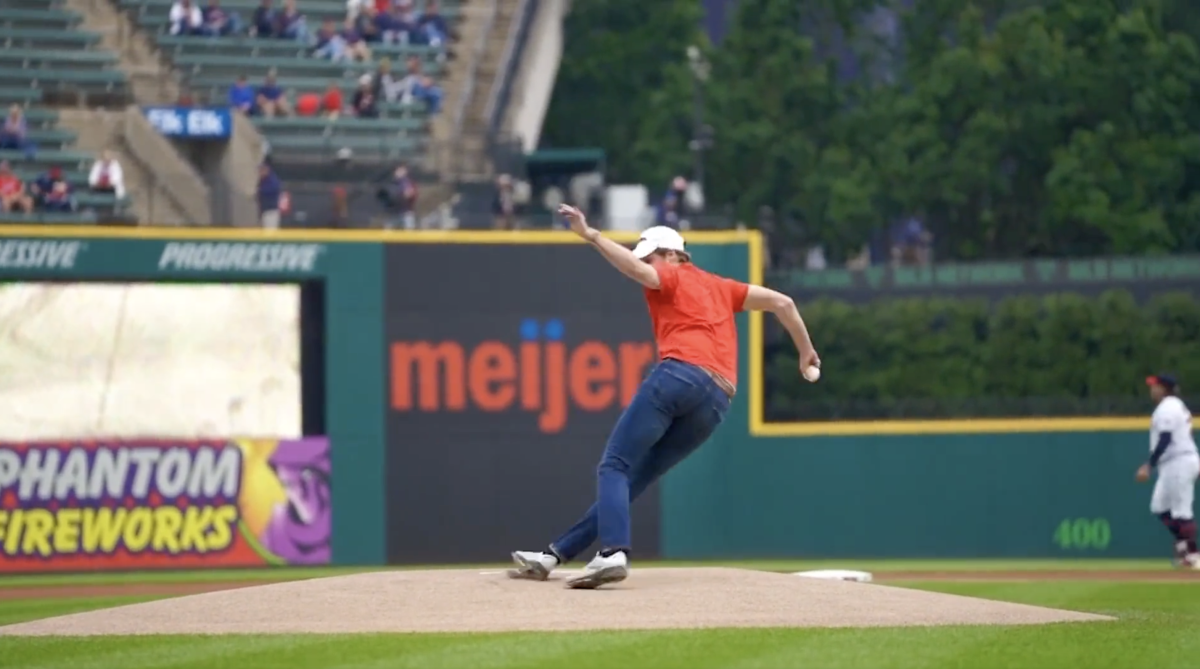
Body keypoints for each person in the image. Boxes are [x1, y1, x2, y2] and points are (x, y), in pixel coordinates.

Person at [508, 206, 821, 589]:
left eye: (652, 255)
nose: (647, 265)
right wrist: (805, 350)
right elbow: (784, 304)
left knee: (614, 466)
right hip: (718, 399)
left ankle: (613, 552)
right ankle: (554, 555)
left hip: (681, 376)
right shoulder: (723, 287)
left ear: (674, 255)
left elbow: (639, 272)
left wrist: (591, 235)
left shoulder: (671, 274)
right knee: (633, 476)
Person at [1137, 374, 1200, 569]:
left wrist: (1149, 465)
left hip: (1179, 461)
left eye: (1155, 386)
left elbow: (1165, 438)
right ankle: (1184, 548)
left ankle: (1194, 555)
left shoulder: (1168, 407)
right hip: (1174, 463)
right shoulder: (1172, 406)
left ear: (1164, 388)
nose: (1152, 389)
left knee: (1181, 511)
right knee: (1159, 507)